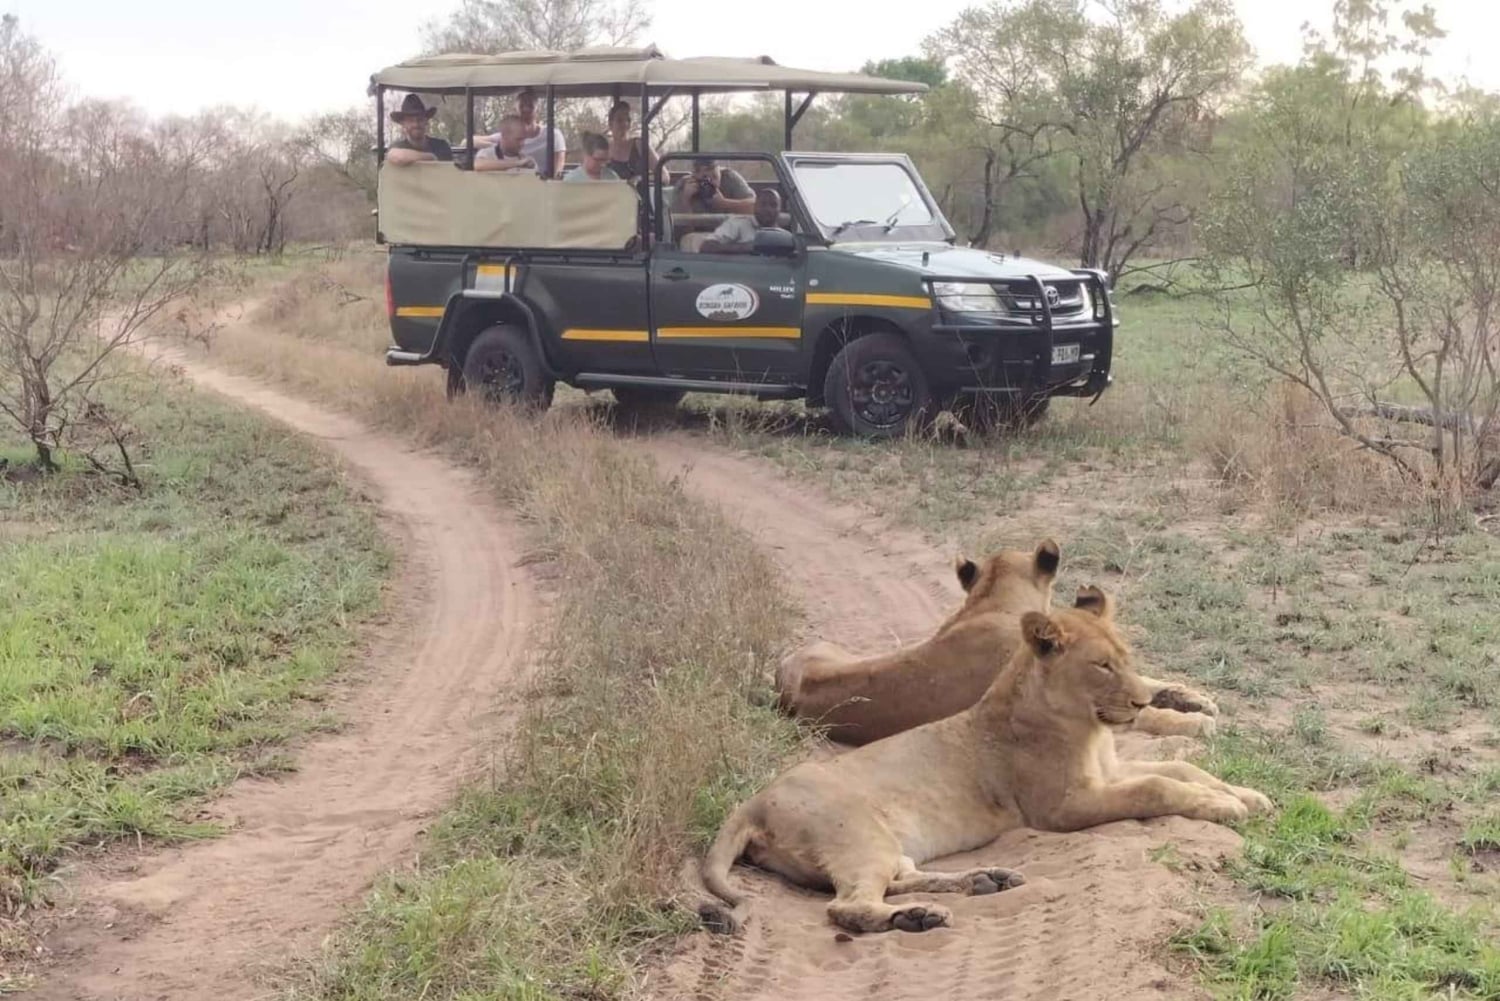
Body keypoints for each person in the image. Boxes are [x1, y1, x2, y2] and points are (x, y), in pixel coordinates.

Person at [685, 188, 783, 253]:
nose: (768, 209)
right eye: (763, 204)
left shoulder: (783, 237)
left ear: (780, 209)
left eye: (773, 205)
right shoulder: (739, 224)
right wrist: (747, 248)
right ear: (755, 206)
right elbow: (706, 247)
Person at [605, 100, 667, 185]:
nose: (625, 124)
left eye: (628, 120)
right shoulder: (604, 148)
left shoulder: (639, 145)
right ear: (610, 124)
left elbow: (664, 176)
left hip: (639, 196)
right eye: (620, 120)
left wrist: (641, 179)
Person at [385, 93, 453, 165]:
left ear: (426, 121)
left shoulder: (441, 146)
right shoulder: (398, 146)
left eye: (420, 119)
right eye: (410, 121)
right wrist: (431, 157)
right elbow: (397, 157)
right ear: (403, 124)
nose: (416, 124)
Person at [673, 157, 756, 214]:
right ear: (695, 175)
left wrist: (725, 203)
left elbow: (755, 206)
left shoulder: (729, 177)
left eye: (715, 177)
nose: (713, 183)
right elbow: (681, 230)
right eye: (705, 179)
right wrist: (685, 200)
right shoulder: (685, 185)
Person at [474, 115, 538, 174]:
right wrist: (517, 164)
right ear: (504, 136)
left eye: (524, 139)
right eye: (518, 139)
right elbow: (478, 165)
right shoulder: (487, 154)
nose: (522, 143)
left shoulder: (528, 161)